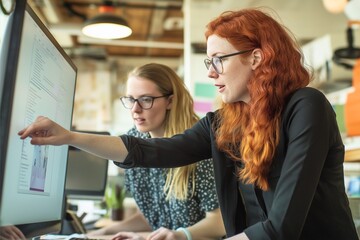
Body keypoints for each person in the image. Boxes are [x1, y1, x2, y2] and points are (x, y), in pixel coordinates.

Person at [18, 8, 358, 240]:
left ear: (256, 57)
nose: (210, 73)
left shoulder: (306, 107)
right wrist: (69, 137)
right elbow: (151, 150)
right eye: (207, 62)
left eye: (218, 61)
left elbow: (281, 228)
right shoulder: (225, 121)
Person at [88, 63, 225, 240]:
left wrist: (180, 235)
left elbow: (219, 222)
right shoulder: (134, 140)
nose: (135, 109)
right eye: (130, 99)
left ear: (170, 101)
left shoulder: (198, 144)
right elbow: (152, 217)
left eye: (146, 99)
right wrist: (103, 232)